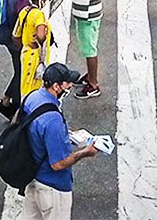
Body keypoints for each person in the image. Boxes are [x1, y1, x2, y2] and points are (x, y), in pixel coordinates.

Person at [21, 61, 99, 220]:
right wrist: (84, 153)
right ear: (56, 87)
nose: (70, 85)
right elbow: (58, 163)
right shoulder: (53, 121)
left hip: (33, 177)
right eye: (67, 82)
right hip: (52, 187)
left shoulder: (32, 97)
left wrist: (65, 134)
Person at [15, 0, 53, 98]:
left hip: (25, 54)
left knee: (25, 87)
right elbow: (41, 35)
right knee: (34, 90)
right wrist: (39, 40)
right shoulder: (38, 15)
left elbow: (15, 35)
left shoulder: (24, 11)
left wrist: (26, 44)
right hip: (35, 58)